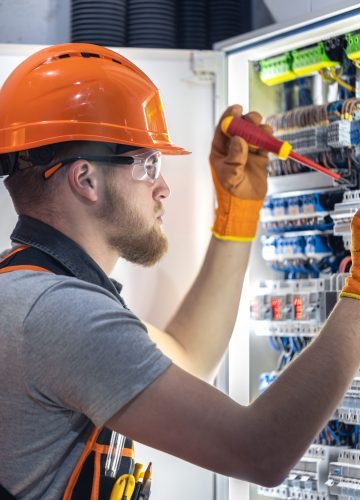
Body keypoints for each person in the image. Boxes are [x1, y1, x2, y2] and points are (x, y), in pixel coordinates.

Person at [0, 42, 360, 500]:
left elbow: (188, 358)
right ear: (86, 179)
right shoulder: (58, 314)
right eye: (148, 165)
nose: (163, 187)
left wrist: (237, 218)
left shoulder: (32, 292)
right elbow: (262, 451)